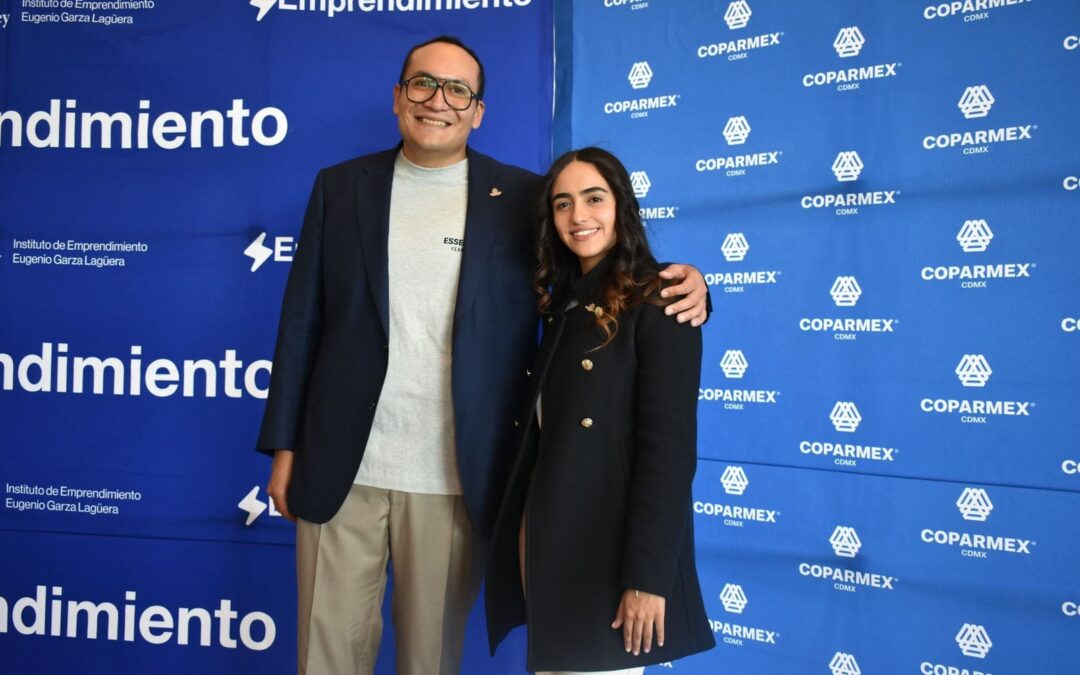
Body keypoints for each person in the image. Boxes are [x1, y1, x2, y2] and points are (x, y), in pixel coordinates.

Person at [256, 36, 710, 675]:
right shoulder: (340, 188)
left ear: (478, 111)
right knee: (325, 659)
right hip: (340, 470)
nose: (437, 101)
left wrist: (684, 284)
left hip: (456, 477)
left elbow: (595, 275)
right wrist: (285, 449)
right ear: (397, 97)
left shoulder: (526, 200)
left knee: (431, 661)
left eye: (458, 90)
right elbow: (301, 323)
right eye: (422, 84)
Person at [485, 147, 716, 675]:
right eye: (562, 204)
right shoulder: (560, 303)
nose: (578, 217)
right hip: (549, 543)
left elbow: (670, 453)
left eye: (594, 198)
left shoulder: (663, 298)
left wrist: (649, 577)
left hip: (609, 558)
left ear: (622, 206)